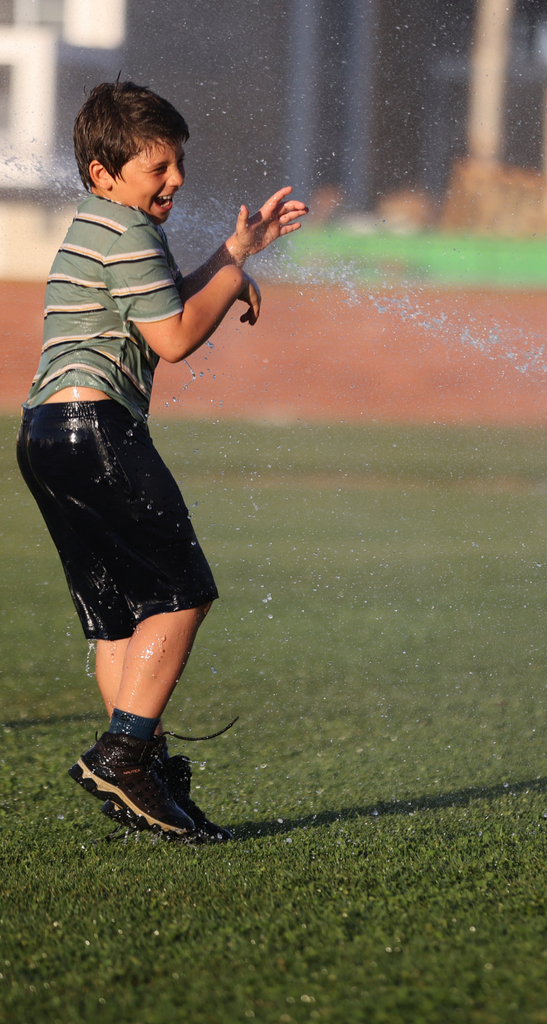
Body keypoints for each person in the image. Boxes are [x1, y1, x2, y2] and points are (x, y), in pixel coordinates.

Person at [16, 80, 308, 842]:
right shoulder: (129, 231)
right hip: (97, 428)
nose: (175, 180)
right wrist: (227, 279)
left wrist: (232, 257)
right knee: (180, 594)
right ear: (105, 173)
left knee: (117, 617)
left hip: (47, 435)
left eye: (177, 163)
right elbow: (173, 338)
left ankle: (137, 777)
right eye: (158, 169)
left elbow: (154, 312)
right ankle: (124, 754)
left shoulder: (97, 225)